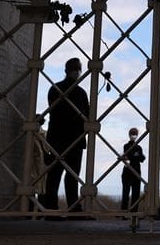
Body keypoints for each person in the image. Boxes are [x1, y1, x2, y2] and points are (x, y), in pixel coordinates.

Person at [44, 58, 89, 218]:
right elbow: (87, 117)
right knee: (70, 176)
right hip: (72, 140)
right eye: (76, 69)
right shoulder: (80, 92)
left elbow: (54, 113)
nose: (77, 73)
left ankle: (51, 209)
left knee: (56, 175)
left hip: (58, 138)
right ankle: (72, 209)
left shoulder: (55, 89)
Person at [120, 127, 145, 213]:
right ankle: (124, 213)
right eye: (132, 133)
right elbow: (130, 155)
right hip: (128, 172)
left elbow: (142, 158)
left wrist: (132, 156)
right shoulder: (126, 146)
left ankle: (133, 213)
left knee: (136, 194)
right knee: (125, 193)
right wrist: (135, 156)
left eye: (135, 134)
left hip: (136, 173)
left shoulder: (139, 147)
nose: (134, 135)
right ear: (129, 135)